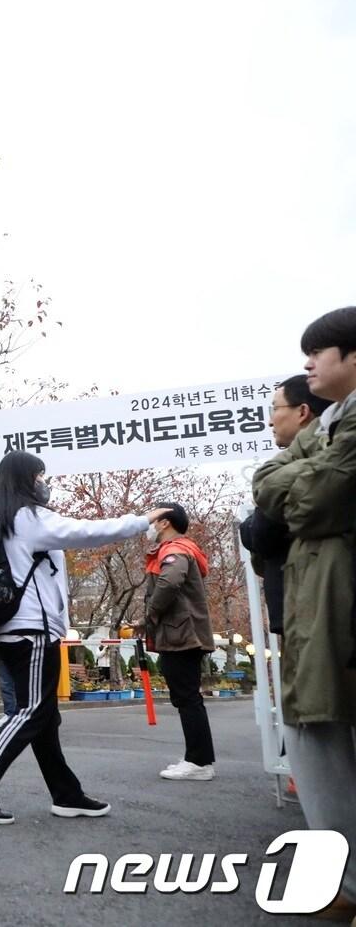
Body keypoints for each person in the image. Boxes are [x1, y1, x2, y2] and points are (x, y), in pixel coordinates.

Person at [0, 450, 167, 825]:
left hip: (8, 630)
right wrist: (141, 520)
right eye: (39, 476)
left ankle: (66, 794)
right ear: (25, 479)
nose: (43, 484)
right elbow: (85, 531)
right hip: (32, 630)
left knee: (45, 718)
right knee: (32, 711)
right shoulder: (27, 517)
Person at [253, 307, 356, 913]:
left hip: (337, 596)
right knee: (314, 726)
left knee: (321, 725)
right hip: (316, 599)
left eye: (319, 352)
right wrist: (293, 483)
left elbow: (314, 498)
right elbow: (269, 485)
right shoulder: (333, 424)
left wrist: (292, 487)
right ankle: (344, 878)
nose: (309, 364)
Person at [240, 375, 331, 639]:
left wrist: (249, 527)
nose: (269, 420)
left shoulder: (312, 461)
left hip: (307, 601)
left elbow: (263, 534)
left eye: (275, 409)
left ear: (302, 412)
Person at [139, 502, 217, 782]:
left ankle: (199, 762)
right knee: (187, 697)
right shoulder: (182, 548)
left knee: (187, 698)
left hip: (181, 634)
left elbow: (170, 582)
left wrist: (151, 615)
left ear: (164, 523)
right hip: (183, 633)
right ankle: (198, 758)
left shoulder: (174, 550)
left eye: (152, 519)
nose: (148, 525)